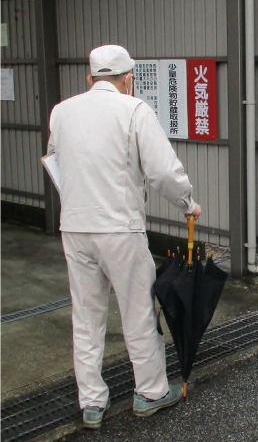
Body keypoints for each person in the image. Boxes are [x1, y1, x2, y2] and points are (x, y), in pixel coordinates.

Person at [47, 45, 202, 429]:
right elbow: (163, 171)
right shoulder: (134, 110)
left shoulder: (61, 112)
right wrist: (187, 202)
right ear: (128, 78)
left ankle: (92, 403)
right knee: (137, 311)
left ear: (90, 79)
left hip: (76, 227)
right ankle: (150, 391)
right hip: (120, 228)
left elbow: (54, 161)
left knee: (86, 315)